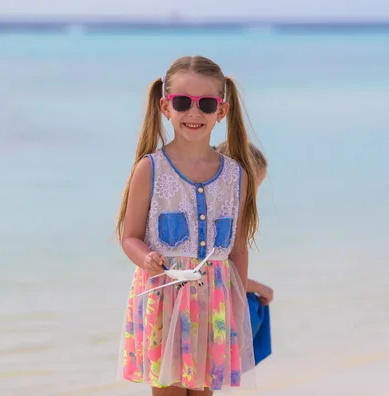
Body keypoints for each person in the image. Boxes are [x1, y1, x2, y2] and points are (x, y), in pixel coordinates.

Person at [115, 55, 259, 396]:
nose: (194, 113)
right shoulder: (150, 169)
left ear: (221, 111)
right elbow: (130, 237)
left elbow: (237, 249)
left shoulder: (237, 175)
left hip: (215, 304)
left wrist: (236, 313)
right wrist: (146, 257)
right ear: (166, 107)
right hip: (164, 298)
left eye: (206, 104)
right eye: (183, 103)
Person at [214, 141, 273, 366]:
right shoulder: (224, 218)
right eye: (256, 186)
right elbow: (223, 278)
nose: (255, 195)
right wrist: (260, 287)